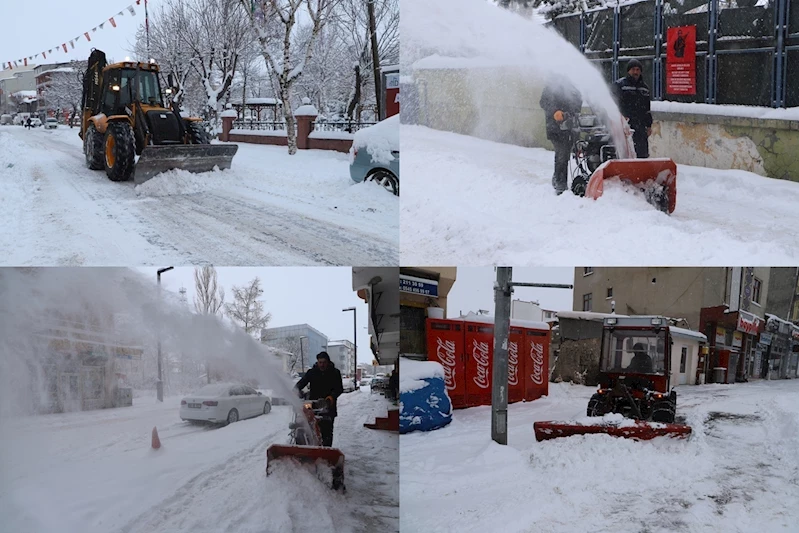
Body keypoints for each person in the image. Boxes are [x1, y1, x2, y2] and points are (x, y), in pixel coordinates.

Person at [539, 76, 583, 195]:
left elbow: (578, 101)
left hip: (570, 127)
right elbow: (543, 102)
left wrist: (572, 112)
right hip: (555, 127)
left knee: (565, 154)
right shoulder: (551, 86)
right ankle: (560, 184)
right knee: (562, 154)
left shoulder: (572, 87)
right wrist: (555, 111)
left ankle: (557, 177)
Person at [294, 351, 343, 447]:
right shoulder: (312, 372)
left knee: (326, 432)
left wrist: (330, 398)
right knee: (308, 427)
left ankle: (326, 452)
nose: (322, 365)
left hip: (328, 406)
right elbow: (301, 383)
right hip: (313, 405)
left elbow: (339, 389)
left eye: (324, 362)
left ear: (328, 362)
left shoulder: (335, 373)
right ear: (317, 362)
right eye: (320, 362)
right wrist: (294, 391)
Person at [612, 59, 653, 158]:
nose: (635, 72)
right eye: (633, 69)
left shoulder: (644, 88)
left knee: (641, 151)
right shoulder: (620, 85)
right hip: (625, 125)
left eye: (638, 69)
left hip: (640, 125)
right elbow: (613, 103)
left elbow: (647, 108)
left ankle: (641, 170)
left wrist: (648, 125)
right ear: (628, 71)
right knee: (626, 151)